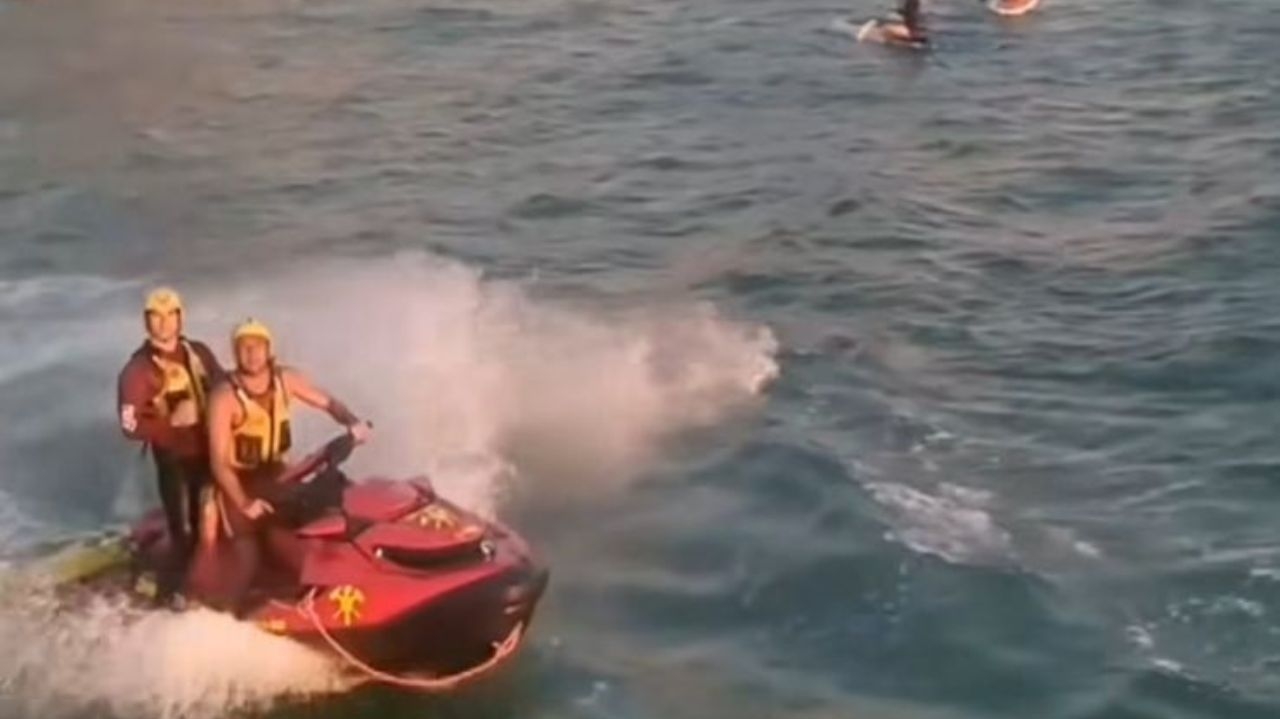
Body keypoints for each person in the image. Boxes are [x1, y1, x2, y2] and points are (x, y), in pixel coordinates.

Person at [199, 317, 371, 614]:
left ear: (269, 350)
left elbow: (329, 403)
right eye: (244, 347)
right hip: (239, 482)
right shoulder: (223, 397)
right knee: (248, 555)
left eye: (258, 346)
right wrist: (244, 503)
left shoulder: (286, 379)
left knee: (330, 507)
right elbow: (219, 462)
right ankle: (228, 615)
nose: (252, 353)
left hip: (278, 474)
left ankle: (354, 578)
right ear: (235, 352)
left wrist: (353, 422)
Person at [116, 286, 225, 606]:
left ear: (181, 318)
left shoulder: (199, 353)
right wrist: (169, 424)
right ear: (146, 321)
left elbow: (224, 387)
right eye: (156, 316)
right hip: (175, 460)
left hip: (212, 453)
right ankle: (174, 595)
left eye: (170, 315)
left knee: (221, 522)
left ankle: (221, 578)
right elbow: (129, 426)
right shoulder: (137, 372)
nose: (164, 323)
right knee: (187, 529)